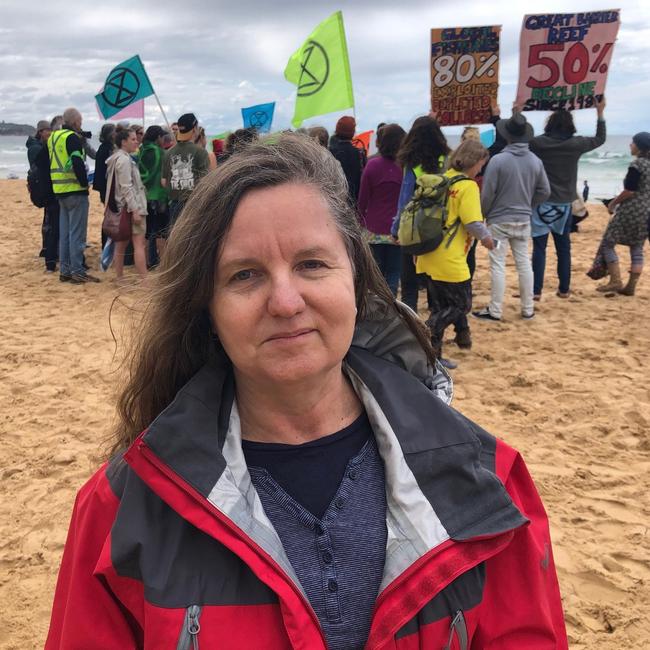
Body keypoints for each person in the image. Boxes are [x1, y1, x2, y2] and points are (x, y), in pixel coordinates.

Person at [45, 134, 568, 649]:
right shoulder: (124, 507)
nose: (286, 301)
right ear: (207, 307)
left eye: (312, 264)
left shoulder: (488, 485)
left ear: (357, 281)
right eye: (245, 275)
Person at [416, 139, 495, 365]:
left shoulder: (442, 179)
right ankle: (427, 333)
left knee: (440, 306)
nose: (481, 168)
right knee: (461, 305)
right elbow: (472, 223)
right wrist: (489, 240)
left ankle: (435, 356)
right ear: (476, 161)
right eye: (482, 163)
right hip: (449, 257)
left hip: (427, 253)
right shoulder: (467, 186)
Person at [473, 112, 550, 322]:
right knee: (523, 263)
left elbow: (488, 192)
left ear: (507, 136)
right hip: (523, 219)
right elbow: (545, 191)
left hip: (499, 219)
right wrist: (529, 204)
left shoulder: (498, 160)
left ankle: (495, 310)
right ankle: (528, 309)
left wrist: (483, 214)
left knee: (498, 264)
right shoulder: (535, 161)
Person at [529, 97, 606, 299]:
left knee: (539, 248)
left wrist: (517, 113)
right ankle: (564, 289)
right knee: (563, 248)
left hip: (541, 203)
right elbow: (600, 139)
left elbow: (519, 138)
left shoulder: (538, 143)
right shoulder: (577, 144)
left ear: (550, 125)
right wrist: (600, 113)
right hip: (564, 204)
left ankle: (535, 291)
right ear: (570, 126)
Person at [393, 115, 451, 313]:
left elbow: (405, 200)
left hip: (413, 228)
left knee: (409, 285)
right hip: (439, 226)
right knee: (434, 283)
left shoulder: (411, 164)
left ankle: (412, 329)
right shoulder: (447, 160)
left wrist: (396, 229)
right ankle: (436, 333)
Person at [588, 132, 650, 296]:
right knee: (637, 247)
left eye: (633, 143)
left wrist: (613, 203)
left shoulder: (637, 165)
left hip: (630, 210)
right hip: (647, 212)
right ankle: (631, 287)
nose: (630, 145)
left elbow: (630, 190)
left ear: (640, 147)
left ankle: (615, 280)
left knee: (608, 243)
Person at [47, 107, 100, 283]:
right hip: (75, 190)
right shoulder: (72, 138)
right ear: (76, 122)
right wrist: (85, 184)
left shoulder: (54, 137)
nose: (81, 124)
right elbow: (77, 162)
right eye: (81, 121)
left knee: (65, 233)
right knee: (77, 234)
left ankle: (65, 270)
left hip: (59, 190)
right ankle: (77, 271)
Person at [357, 123, 405, 296]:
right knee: (393, 273)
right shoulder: (405, 168)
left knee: (375, 274)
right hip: (397, 231)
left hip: (373, 229)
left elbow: (362, 200)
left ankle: (377, 307)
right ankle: (390, 306)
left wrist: (359, 222)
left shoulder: (372, 165)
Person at [105, 129, 148, 283]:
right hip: (130, 208)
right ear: (124, 142)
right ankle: (144, 279)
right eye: (133, 139)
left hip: (123, 207)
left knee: (121, 244)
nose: (136, 141)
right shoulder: (123, 160)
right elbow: (126, 187)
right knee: (139, 244)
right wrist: (135, 209)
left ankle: (120, 277)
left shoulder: (118, 158)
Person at [161, 113, 210, 229]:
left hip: (174, 204)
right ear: (194, 129)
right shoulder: (200, 152)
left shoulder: (168, 153)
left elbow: (163, 182)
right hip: (194, 204)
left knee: (177, 240)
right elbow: (206, 181)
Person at [26, 119, 60, 272]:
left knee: (49, 220)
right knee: (49, 222)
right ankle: (47, 250)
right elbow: (39, 166)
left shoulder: (39, 145)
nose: (50, 133)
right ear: (40, 132)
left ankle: (48, 249)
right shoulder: (35, 148)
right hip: (43, 187)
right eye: (47, 130)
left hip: (45, 186)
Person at [139, 125, 170, 266]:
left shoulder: (142, 150)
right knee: (161, 233)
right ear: (158, 137)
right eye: (162, 136)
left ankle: (145, 263)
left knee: (146, 233)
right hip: (160, 197)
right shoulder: (161, 152)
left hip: (145, 196)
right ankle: (163, 264)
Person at [328, 116, 365, 204]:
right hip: (353, 202)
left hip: (334, 201)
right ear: (352, 133)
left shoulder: (329, 152)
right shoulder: (359, 154)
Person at [93, 123, 115, 205]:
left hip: (102, 184)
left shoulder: (102, 147)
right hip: (106, 185)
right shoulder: (109, 149)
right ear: (112, 135)